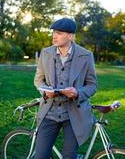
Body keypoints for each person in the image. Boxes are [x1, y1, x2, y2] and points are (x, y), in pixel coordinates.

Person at [34, 17, 97, 159]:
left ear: (70, 36)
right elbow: (38, 79)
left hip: (74, 114)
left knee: (69, 156)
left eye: (59, 33)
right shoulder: (46, 53)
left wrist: (77, 92)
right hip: (49, 112)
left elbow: (93, 85)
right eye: (54, 32)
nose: (54, 36)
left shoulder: (86, 55)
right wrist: (45, 91)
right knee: (40, 156)